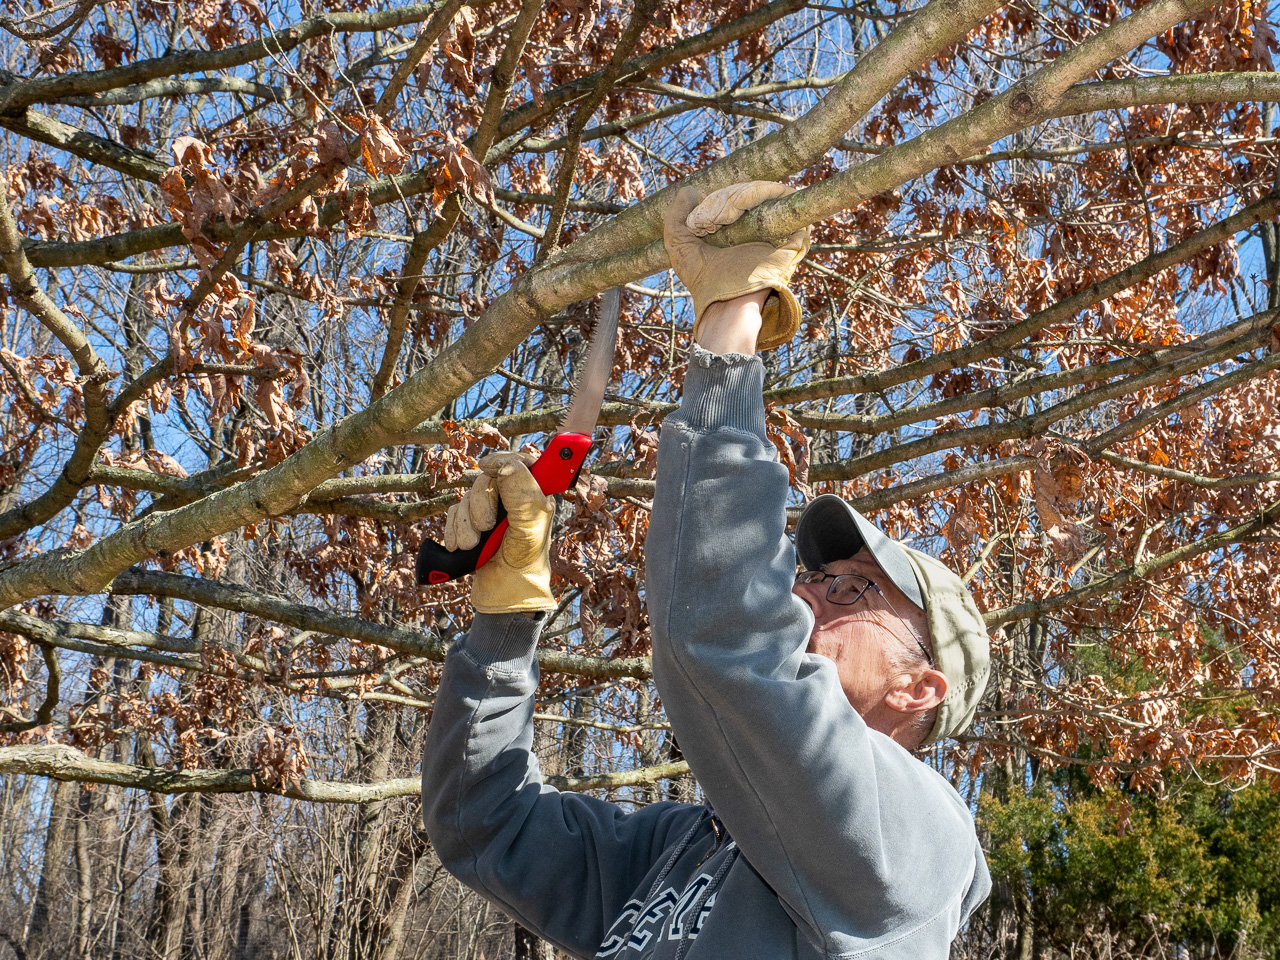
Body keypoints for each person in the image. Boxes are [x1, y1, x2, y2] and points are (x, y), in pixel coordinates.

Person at [420, 181, 993, 959]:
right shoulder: (680, 847)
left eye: (855, 588)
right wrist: (504, 619)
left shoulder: (917, 838)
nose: (807, 592)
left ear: (918, 688)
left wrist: (729, 335)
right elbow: (483, 823)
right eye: (812, 577)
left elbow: (727, 646)